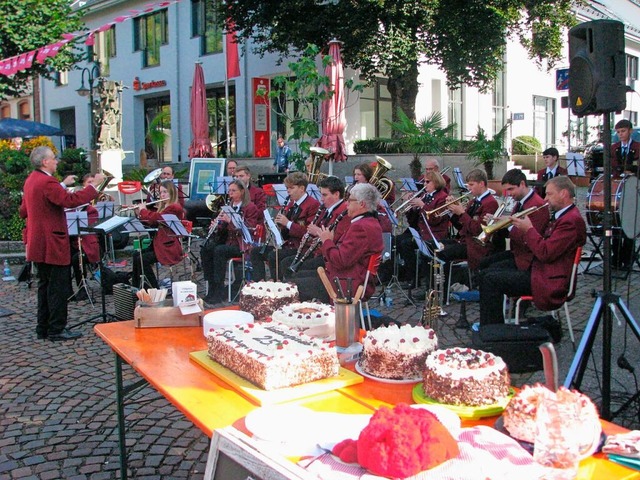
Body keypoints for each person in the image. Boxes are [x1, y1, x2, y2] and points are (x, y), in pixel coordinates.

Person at [19, 146, 105, 341]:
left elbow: (23, 211)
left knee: (45, 285)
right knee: (57, 287)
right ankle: (56, 328)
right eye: (53, 158)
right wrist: (92, 188)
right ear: (44, 162)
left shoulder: (31, 180)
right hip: (51, 241)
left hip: (38, 241)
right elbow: (69, 200)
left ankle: (43, 327)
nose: (56, 161)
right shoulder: (47, 181)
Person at [479, 176, 586, 326]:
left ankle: (493, 330)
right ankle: (493, 329)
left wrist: (528, 229)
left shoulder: (571, 221)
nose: (545, 199)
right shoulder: (564, 216)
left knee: (490, 280)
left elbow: (545, 252)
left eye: (549, 194)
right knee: (487, 274)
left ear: (563, 193)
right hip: (541, 268)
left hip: (549, 279)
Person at [292, 183, 384, 303]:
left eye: (350, 201)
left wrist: (327, 241)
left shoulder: (361, 227)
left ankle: (314, 319)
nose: (346, 204)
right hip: (347, 278)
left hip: (347, 285)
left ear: (362, 204)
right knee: (298, 277)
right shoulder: (368, 222)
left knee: (293, 287)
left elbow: (341, 261)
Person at [436, 169, 499, 297]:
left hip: (476, 246)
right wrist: (452, 212)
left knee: (442, 253)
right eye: (468, 185)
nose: (469, 188)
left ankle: (443, 292)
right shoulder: (473, 201)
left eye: (471, 185)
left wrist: (462, 213)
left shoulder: (490, 202)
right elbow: (462, 227)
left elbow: (478, 230)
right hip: (465, 240)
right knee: (434, 245)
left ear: (481, 184)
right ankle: (434, 288)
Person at [250, 172, 320, 281]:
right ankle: (260, 285)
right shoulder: (291, 204)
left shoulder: (312, 204)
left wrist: (287, 223)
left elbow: (308, 232)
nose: (288, 191)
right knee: (255, 252)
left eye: (291, 188)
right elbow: (285, 232)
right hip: (288, 245)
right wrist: (276, 227)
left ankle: (278, 287)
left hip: (301, 247)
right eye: (287, 188)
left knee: (274, 256)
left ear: (302, 188)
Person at [200, 180, 260, 305]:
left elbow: (248, 229)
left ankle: (219, 289)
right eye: (229, 191)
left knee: (219, 251)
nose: (230, 194)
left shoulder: (250, 208)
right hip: (229, 242)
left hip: (242, 244)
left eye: (233, 191)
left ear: (242, 192)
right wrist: (217, 225)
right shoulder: (229, 206)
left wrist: (230, 221)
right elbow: (223, 229)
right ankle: (211, 287)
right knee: (206, 249)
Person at [478, 169, 549, 273]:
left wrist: (509, 225)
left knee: (488, 273)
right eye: (507, 190)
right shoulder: (521, 201)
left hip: (527, 259)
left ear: (522, 184)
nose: (509, 194)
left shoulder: (536, 204)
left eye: (511, 189)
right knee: (484, 263)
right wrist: (500, 222)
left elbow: (530, 238)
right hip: (517, 253)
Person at [281, 175, 350, 277]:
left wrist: (318, 233)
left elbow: (338, 240)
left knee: (295, 272)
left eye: (324, 195)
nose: (321, 199)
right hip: (317, 252)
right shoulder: (326, 209)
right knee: (285, 263)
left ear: (336, 194)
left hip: (327, 257)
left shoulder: (343, 213)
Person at [395, 170, 450, 287]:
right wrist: (411, 209)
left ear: (436, 182)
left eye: (427, 182)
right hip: (423, 233)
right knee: (402, 242)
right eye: (424, 181)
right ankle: (413, 275)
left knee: (408, 244)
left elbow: (435, 220)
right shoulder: (426, 196)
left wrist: (422, 206)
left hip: (435, 235)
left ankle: (421, 280)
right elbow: (414, 221)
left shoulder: (442, 197)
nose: (424, 184)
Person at [132, 180, 185, 289]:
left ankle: (153, 289)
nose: (162, 195)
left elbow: (156, 218)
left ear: (172, 193)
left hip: (169, 247)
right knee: (136, 255)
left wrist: (143, 211)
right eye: (161, 192)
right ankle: (137, 288)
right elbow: (153, 224)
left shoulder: (174, 207)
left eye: (165, 192)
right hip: (160, 244)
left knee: (142, 260)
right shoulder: (164, 208)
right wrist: (139, 214)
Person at [69, 174, 101, 301]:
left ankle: (82, 288)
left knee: (77, 259)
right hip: (74, 245)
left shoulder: (91, 210)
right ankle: (67, 291)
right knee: (64, 258)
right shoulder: (70, 212)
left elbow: (88, 228)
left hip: (88, 247)